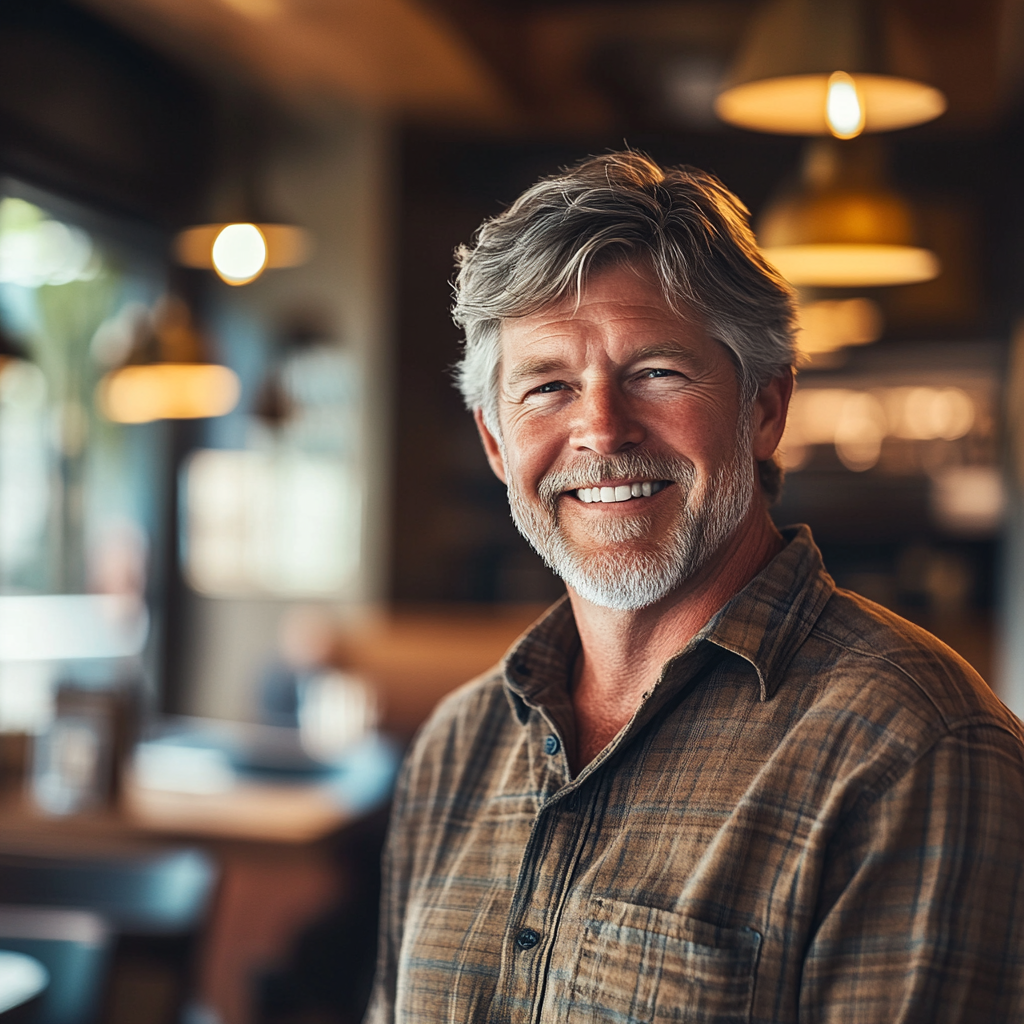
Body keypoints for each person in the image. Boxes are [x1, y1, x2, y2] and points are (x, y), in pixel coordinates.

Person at [364, 151, 1024, 1023]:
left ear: (763, 408)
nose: (599, 428)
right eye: (548, 387)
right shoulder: (456, 748)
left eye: (656, 373)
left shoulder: (917, 746)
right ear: (495, 442)